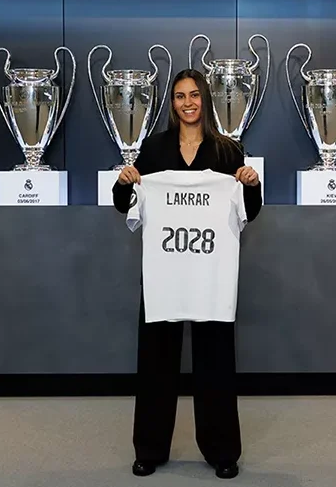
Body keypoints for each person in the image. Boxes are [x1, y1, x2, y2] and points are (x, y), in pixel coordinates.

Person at [112, 68, 262, 480]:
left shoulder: (228, 151)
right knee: (156, 361)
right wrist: (124, 183)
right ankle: (149, 449)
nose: (187, 103)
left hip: (212, 274)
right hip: (164, 273)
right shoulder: (154, 148)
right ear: (172, 103)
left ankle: (222, 451)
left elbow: (249, 210)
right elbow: (125, 204)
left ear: (205, 99)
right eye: (180, 96)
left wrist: (251, 184)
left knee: (216, 362)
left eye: (194, 95)